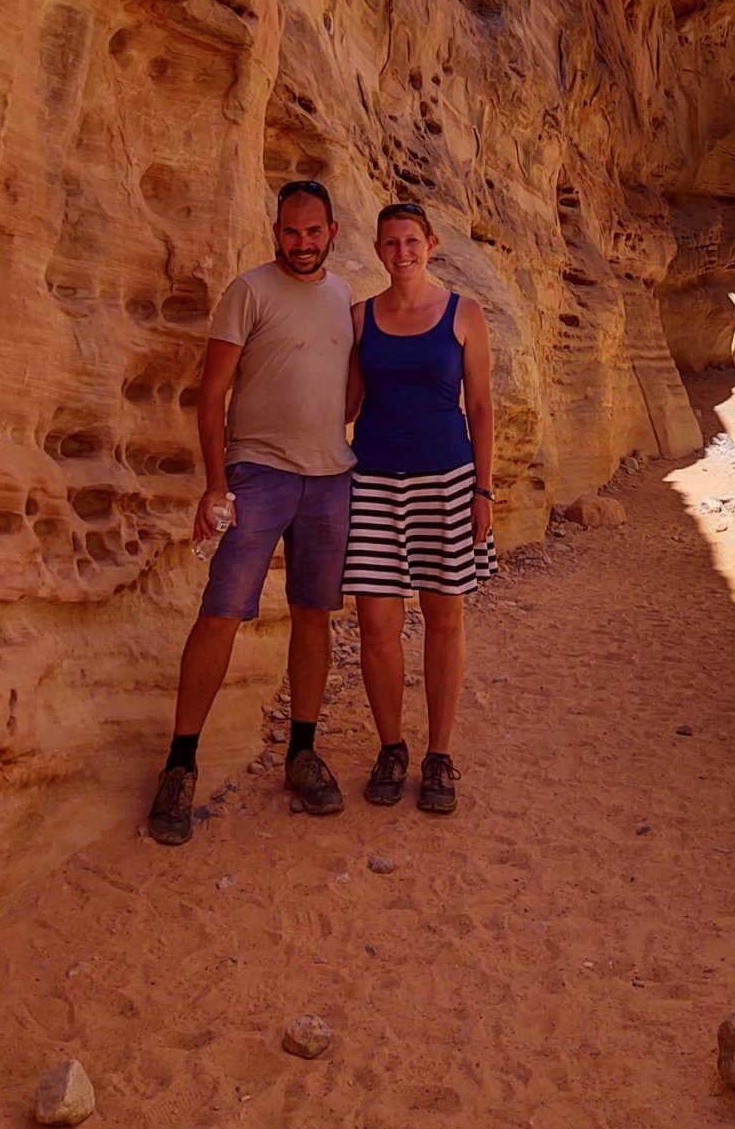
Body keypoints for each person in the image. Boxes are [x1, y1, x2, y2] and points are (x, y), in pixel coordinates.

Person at [147, 179, 355, 845]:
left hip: (328, 479)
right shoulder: (249, 291)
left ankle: (302, 749)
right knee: (221, 611)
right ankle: (180, 765)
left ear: (332, 232)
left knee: (313, 613)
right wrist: (216, 485)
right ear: (275, 232)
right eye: (291, 231)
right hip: (257, 476)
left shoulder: (343, 296)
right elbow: (210, 396)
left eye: (313, 231)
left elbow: (346, 388)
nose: (302, 243)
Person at [342, 201, 496, 815]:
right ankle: (390, 747)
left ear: (430, 243)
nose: (401, 252)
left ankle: (439, 754)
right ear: (378, 249)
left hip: (447, 481)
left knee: (443, 618)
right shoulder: (359, 319)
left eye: (411, 240)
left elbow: (481, 406)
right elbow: (346, 403)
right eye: (389, 243)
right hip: (373, 483)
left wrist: (483, 490)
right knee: (376, 625)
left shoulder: (464, 314)